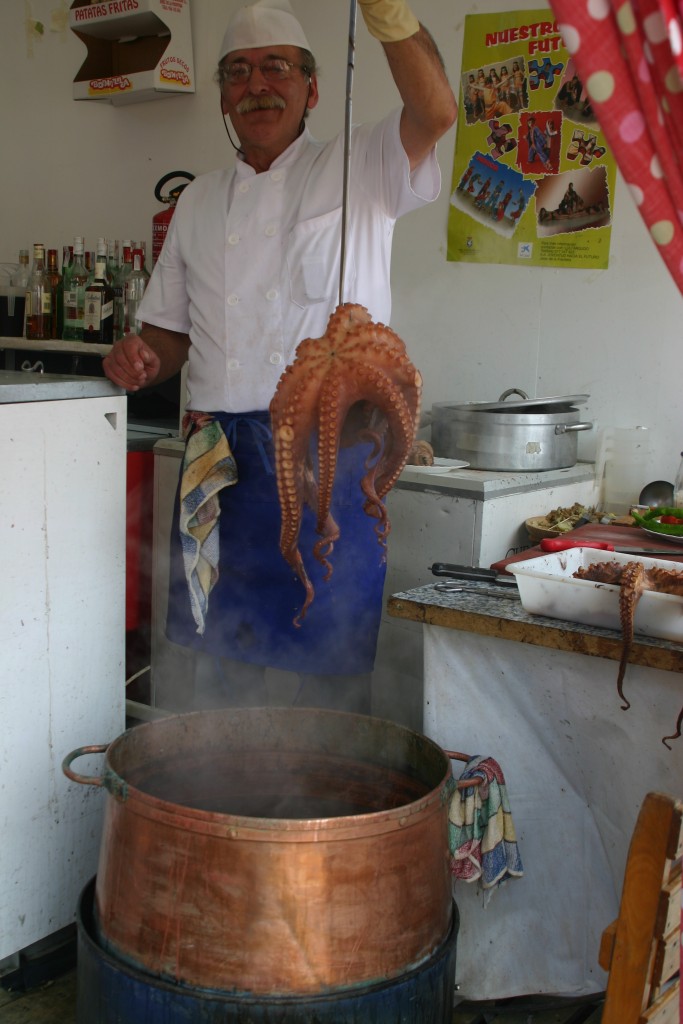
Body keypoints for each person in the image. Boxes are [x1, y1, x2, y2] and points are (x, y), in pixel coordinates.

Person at [103, 0, 457, 713]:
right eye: (237, 72)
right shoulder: (199, 202)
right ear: (222, 95)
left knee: (329, 658)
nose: (255, 84)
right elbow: (172, 333)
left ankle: (327, 811)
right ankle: (224, 801)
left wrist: (389, 15)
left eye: (275, 68)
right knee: (220, 657)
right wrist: (144, 356)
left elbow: (435, 111)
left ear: (311, 88)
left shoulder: (359, 165)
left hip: (329, 447)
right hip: (217, 454)